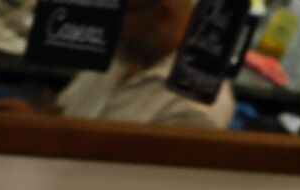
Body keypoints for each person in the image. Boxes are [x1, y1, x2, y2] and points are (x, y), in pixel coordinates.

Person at [55, 0, 236, 130]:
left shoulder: (193, 109)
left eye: (120, 11)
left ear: (164, 12)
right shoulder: (124, 55)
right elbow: (64, 112)